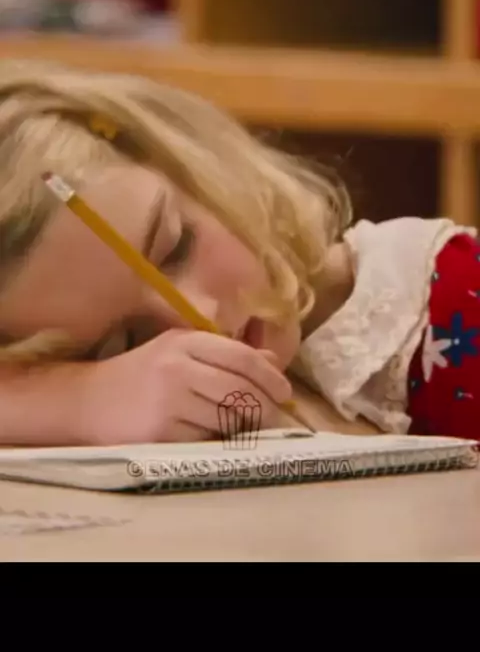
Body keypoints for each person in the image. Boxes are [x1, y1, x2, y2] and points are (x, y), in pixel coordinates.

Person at [0, 60, 479, 448]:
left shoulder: (450, 293)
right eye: (126, 342)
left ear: (188, 158)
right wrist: (80, 400)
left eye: (176, 248)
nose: (202, 316)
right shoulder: (154, 410)